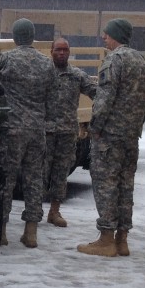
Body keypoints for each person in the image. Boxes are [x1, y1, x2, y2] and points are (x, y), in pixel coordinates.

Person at [77, 18, 145, 257]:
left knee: (106, 185)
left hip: (110, 137)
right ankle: (122, 239)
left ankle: (106, 239)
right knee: (125, 186)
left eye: (107, 35)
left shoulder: (115, 60)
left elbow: (104, 97)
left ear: (116, 36)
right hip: (130, 136)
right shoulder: (142, 62)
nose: (103, 37)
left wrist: (96, 127)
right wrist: (135, 123)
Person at [0, 18, 55, 248]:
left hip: (12, 130)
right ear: (32, 37)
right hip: (36, 130)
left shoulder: (7, 58)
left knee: (7, 180)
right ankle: (31, 233)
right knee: (34, 180)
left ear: (14, 36)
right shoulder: (46, 64)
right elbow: (52, 95)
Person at [43, 38, 97, 227]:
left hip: (67, 134)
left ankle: (55, 211)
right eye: (58, 49)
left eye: (65, 50)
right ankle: (34, 212)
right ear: (51, 51)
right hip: (45, 133)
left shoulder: (76, 75)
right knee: (40, 173)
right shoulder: (43, 73)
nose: (62, 53)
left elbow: (95, 92)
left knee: (61, 173)